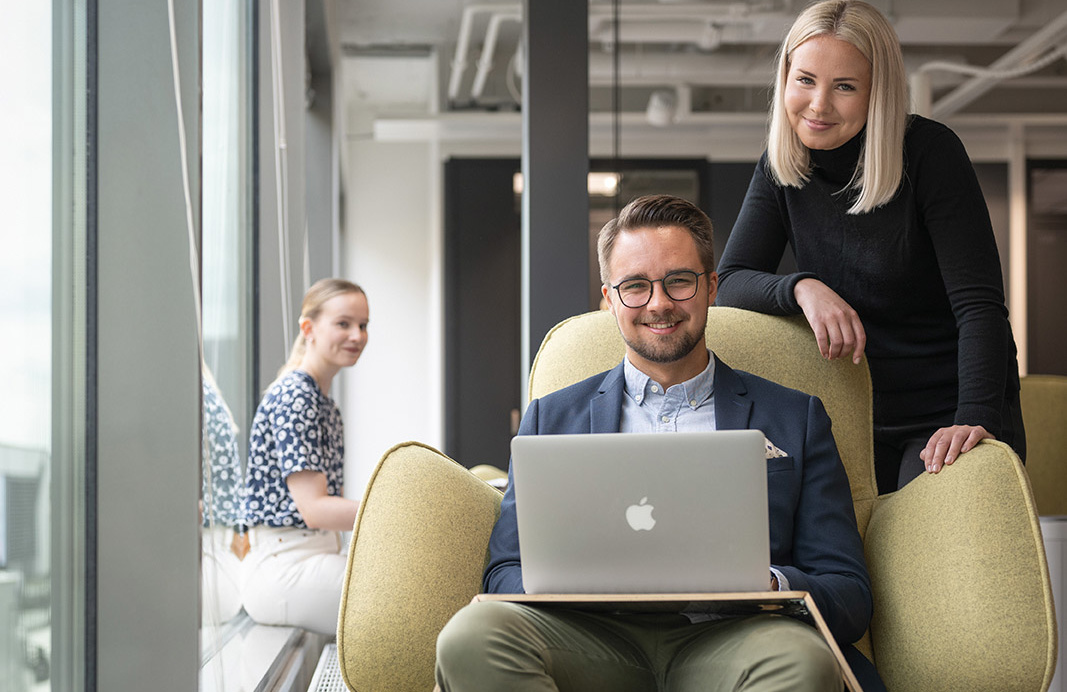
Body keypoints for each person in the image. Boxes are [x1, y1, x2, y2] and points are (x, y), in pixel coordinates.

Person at [435, 195, 884, 691]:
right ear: (608, 299)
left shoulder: (795, 417)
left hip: (739, 640)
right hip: (587, 641)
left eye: (678, 281)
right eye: (635, 286)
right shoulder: (552, 417)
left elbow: (849, 593)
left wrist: (771, 584)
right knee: (470, 636)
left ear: (711, 288)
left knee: (802, 661)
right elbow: (503, 571)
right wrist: (559, 589)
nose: (659, 303)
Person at [715, 0, 1025, 494]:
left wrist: (976, 418)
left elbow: (979, 306)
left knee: (928, 559)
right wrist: (803, 288)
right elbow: (729, 283)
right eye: (805, 80)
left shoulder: (930, 154)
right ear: (785, 78)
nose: (818, 105)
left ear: (877, 93)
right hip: (853, 412)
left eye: (844, 86)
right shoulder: (780, 168)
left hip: (948, 408)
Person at [240, 278, 369, 636]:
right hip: (285, 567)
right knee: (403, 600)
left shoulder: (324, 403)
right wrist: (392, 512)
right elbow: (314, 509)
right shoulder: (297, 397)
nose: (357, 335)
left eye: (363, 325)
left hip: (308, 558)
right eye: (343, 324)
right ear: (308, 328)